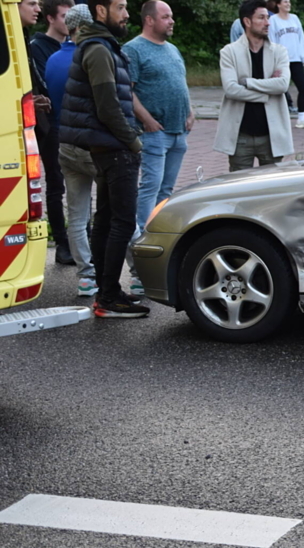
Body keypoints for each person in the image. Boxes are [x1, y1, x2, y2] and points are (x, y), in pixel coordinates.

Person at [59, 0, 149, 317]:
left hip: (107, 147)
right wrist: (134, 143)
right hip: (114, 148)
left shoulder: (99, 46)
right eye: (121, 8)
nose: (127, 15)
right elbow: (108, 107)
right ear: (101, 11)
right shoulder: (98, 49)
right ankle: (109, 297)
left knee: (107, 220)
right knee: (121, 222)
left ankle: (107, 292)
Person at [123, 0, 194, 296]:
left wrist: (190, 112)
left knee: (166, 193)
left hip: (178, 133)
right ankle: (139, 252)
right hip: (154, 134)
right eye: (166, 17)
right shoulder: (134, 49)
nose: (172, 21)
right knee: (149, 190)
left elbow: (181, 82)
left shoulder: (173, 49)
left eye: (172, 16)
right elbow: (128, 90)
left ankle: (158, 246)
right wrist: (148, 120)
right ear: (150, 20)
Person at [46, 3, 96, 296]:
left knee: (77, 214)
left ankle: (86, 277)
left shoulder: (53, 59)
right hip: (93, 143)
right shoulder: (92, 56)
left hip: (64, 142)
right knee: (117, 211)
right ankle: (138, 274)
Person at [21, 0, 75, 265]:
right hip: (51, 125)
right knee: (56, 183)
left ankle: (79, 238)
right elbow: (44, 84)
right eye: (65, 16)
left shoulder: (73, 46)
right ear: (52, 18)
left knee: (77, 182)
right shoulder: (37, 47)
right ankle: (62, 244)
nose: (70, 21)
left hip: (72, 124)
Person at [215, 0, 293, 171]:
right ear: (247, 21)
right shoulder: (229, 51)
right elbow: (231, 89)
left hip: (272, 136)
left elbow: (282, 85)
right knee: (240, 191)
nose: (268, 23)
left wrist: (248, 82)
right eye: (262, 18)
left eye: (268, 18)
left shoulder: (279, 51)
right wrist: (266, 94)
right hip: (240, 136)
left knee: (272, 189)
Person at [269, 0, 304, 128]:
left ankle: (301, 117)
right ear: (278, 4)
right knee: (281, 89)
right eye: (285, 1)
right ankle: (279, 118)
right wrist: (275, 60)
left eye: (289, 1)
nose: (288, 4)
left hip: (296, 59)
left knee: (303, 88)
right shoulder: (273, 20)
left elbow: (301, 37)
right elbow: (272, 41)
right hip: (282, 60)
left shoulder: (295, 18)